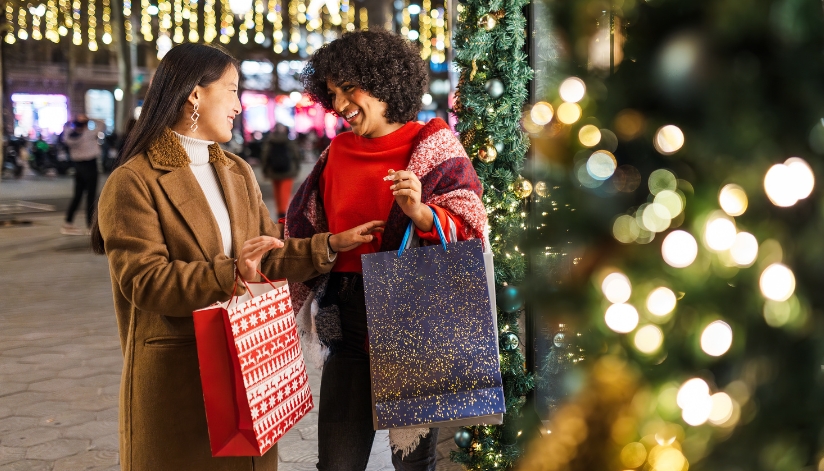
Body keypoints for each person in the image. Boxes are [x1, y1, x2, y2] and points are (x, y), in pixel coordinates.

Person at [90, 43, 384, 471]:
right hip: (182, 378)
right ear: (195, 94)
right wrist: (232, 272)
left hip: (248, 368)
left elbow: (265, 253)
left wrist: (330, 244)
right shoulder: (133, 181)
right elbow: (145, 282)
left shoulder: (235, 170)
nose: (239, 104)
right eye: (231, 90)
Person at [287, 30, 488, 471]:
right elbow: (306, 227)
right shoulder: (335, 152)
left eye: (348, 88)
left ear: (383, 81)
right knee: (337, 463)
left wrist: (420, 213)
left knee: (413, 464)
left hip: (412, 314)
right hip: (346, 317)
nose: (339, 104)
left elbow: (471, 228)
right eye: (333, 92)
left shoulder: (433, 147)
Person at [61, 114, 100, 235]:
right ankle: (90, 225)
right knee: (91, 196)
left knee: (77, 195)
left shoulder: (69, 136)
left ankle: (68, 222)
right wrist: (89, 118)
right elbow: (102, 125)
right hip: (90, 165)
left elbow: (65, 128)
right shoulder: (88, 134)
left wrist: (72, 121)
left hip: (78, 167)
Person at [261, 123, 301, 219]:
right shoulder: (289, 141)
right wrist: (296, 168)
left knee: (277, 193)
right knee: (285, 193)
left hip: (274, 171)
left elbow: (265, 157)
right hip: (288, 171)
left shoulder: (270, 142)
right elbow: (296, 156)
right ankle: (283, 213)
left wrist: (265, 170)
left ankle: (279, 213)